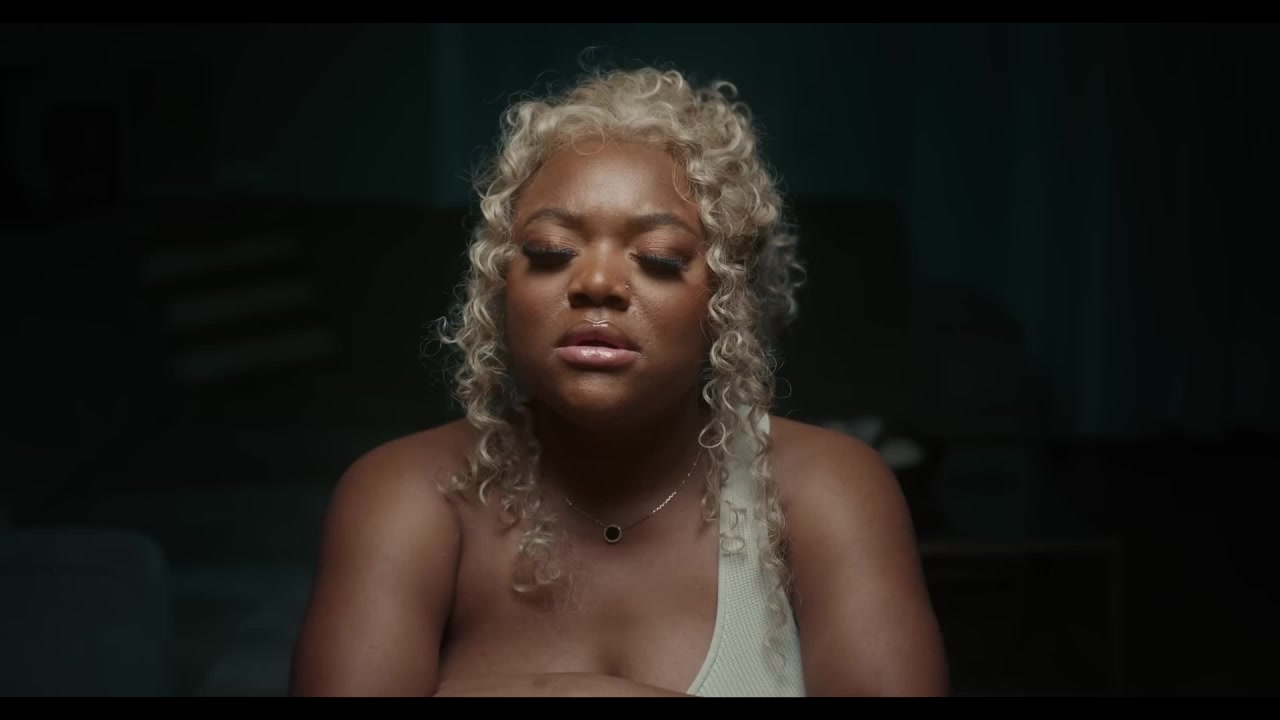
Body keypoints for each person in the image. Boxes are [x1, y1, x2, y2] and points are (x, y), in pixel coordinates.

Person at [289, 65, 948, 697]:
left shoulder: (826, 491)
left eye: (658, 258)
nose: (597, 282)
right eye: (551, 252)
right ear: (499, 285)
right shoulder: (407, 496)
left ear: (728, 302)